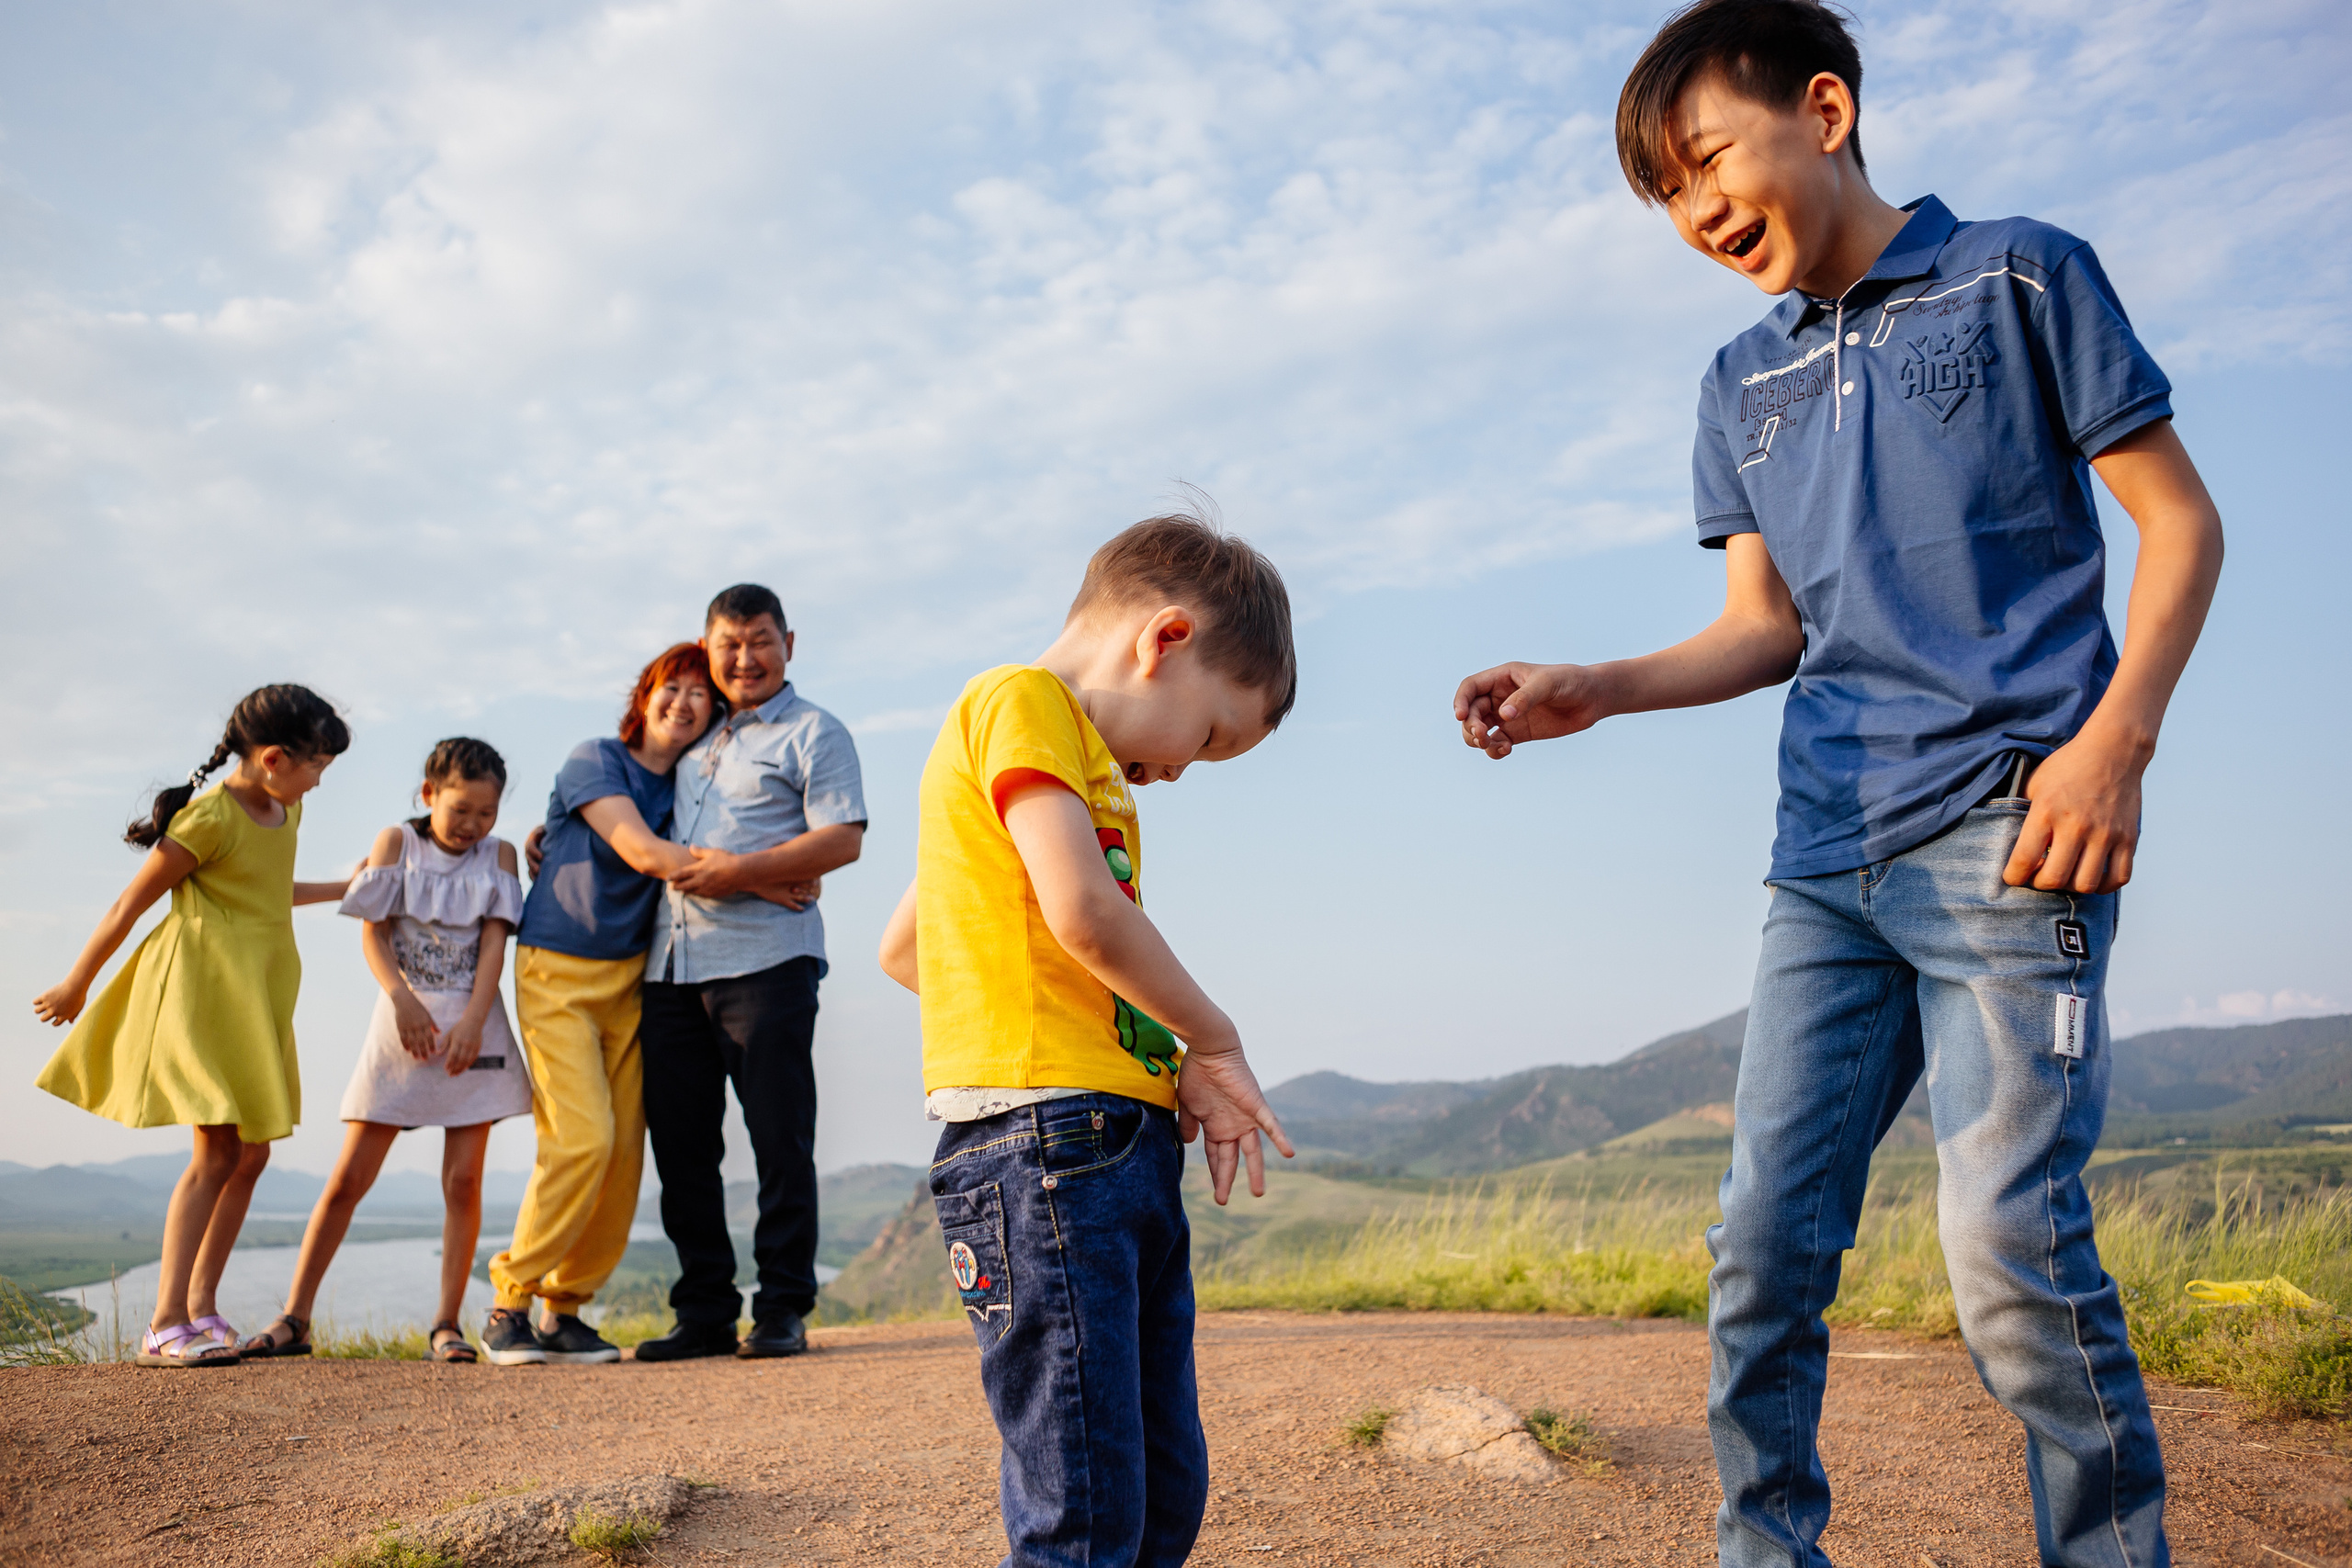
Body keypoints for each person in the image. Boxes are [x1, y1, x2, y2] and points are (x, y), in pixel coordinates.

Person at [1453, 3, 2225, 1562]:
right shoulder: (1740, 381)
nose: (1698, 210)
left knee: (2009, 1250)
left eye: (1708, 160)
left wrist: (2116, 743)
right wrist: (1597, 684)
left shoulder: (2022, 276)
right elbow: (1766, 627)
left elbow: (2182, 522)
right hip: (1823, 864)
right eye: (1668, 195)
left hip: (2014, 832)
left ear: (1823, 108)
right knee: (1760, 1247)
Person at [876, 512, 1298, 1566]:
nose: (1185, 771)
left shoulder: (1062, 757)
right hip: (1048, 1148)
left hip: (1109, 1136)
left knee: (1157, 1484)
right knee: (1088, 1504)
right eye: (1212, 735)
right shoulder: (1021, 701)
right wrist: (1213, 1039)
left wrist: (1161, 1060)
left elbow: (912, 947)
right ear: (1166, 640)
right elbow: (1083, 915)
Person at [31, 685, 353, 1366]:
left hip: (258, 995)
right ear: (273, 758)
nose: (319, 781)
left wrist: (344, 888)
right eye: (316, 766)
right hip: (203, 993)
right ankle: (164, 1323)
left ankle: (201, 1306)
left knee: (252, 1153)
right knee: (216, 1152)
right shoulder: (209, 817)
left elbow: (270, 890)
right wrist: (76, 981)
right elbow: (129, 903)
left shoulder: (285, 809)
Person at [629, 585, 868, 1363]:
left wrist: (742, 872)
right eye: (728, 644)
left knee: (778, 1139)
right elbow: (632, 815)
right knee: (683, 1147)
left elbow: (841, 839)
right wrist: (552, 832)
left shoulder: (814, 732)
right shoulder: (689, 734)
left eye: (759, 640)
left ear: (787, 644)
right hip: (670, 966)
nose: (744, 658)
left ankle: (782, 1307)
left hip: (769, 962)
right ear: (708, 649)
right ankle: (704, 1310)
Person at [487, 644, 738, 1366]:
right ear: (644, 694)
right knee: (582, 1137)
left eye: (700, 693)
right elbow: (646, 853)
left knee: (624, 1153)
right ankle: (510, 1301)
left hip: (631, 980)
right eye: (671, 686)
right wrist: (769, 877)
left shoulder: (689, 785)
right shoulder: (594, 758)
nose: (683, 702)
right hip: (557, 971)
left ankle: (564, 1308)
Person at [240, 739, 528, 1364]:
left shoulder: (500, 855)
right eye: (461, 809)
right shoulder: (396, 842)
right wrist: (402, 999)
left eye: (487, 812)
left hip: (472, 1029)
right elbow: (374, 934)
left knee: (464, 1181)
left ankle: (446, 1324)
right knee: (349, 1179)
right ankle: (296, 1317)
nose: (473, 825)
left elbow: (494, 945)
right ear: (429, 794)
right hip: (402, 1027)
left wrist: (474, 1020)